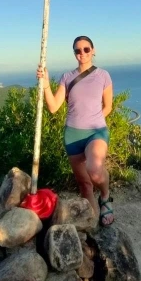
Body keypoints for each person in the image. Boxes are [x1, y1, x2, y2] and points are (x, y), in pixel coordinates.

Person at [36, 35, 114, 226]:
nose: (82, 53)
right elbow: (54, 107)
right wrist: (46, 84)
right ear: (74, 54)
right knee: (85, 185)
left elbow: (108, 106)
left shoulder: (103, 75)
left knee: (95, 171)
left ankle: (105, 196)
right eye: (78, 50)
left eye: (86, 49)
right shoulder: (67, 77)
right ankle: (94, 223)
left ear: (93, 50)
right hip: (72, 135)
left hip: (96, 131)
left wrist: (94, 121)